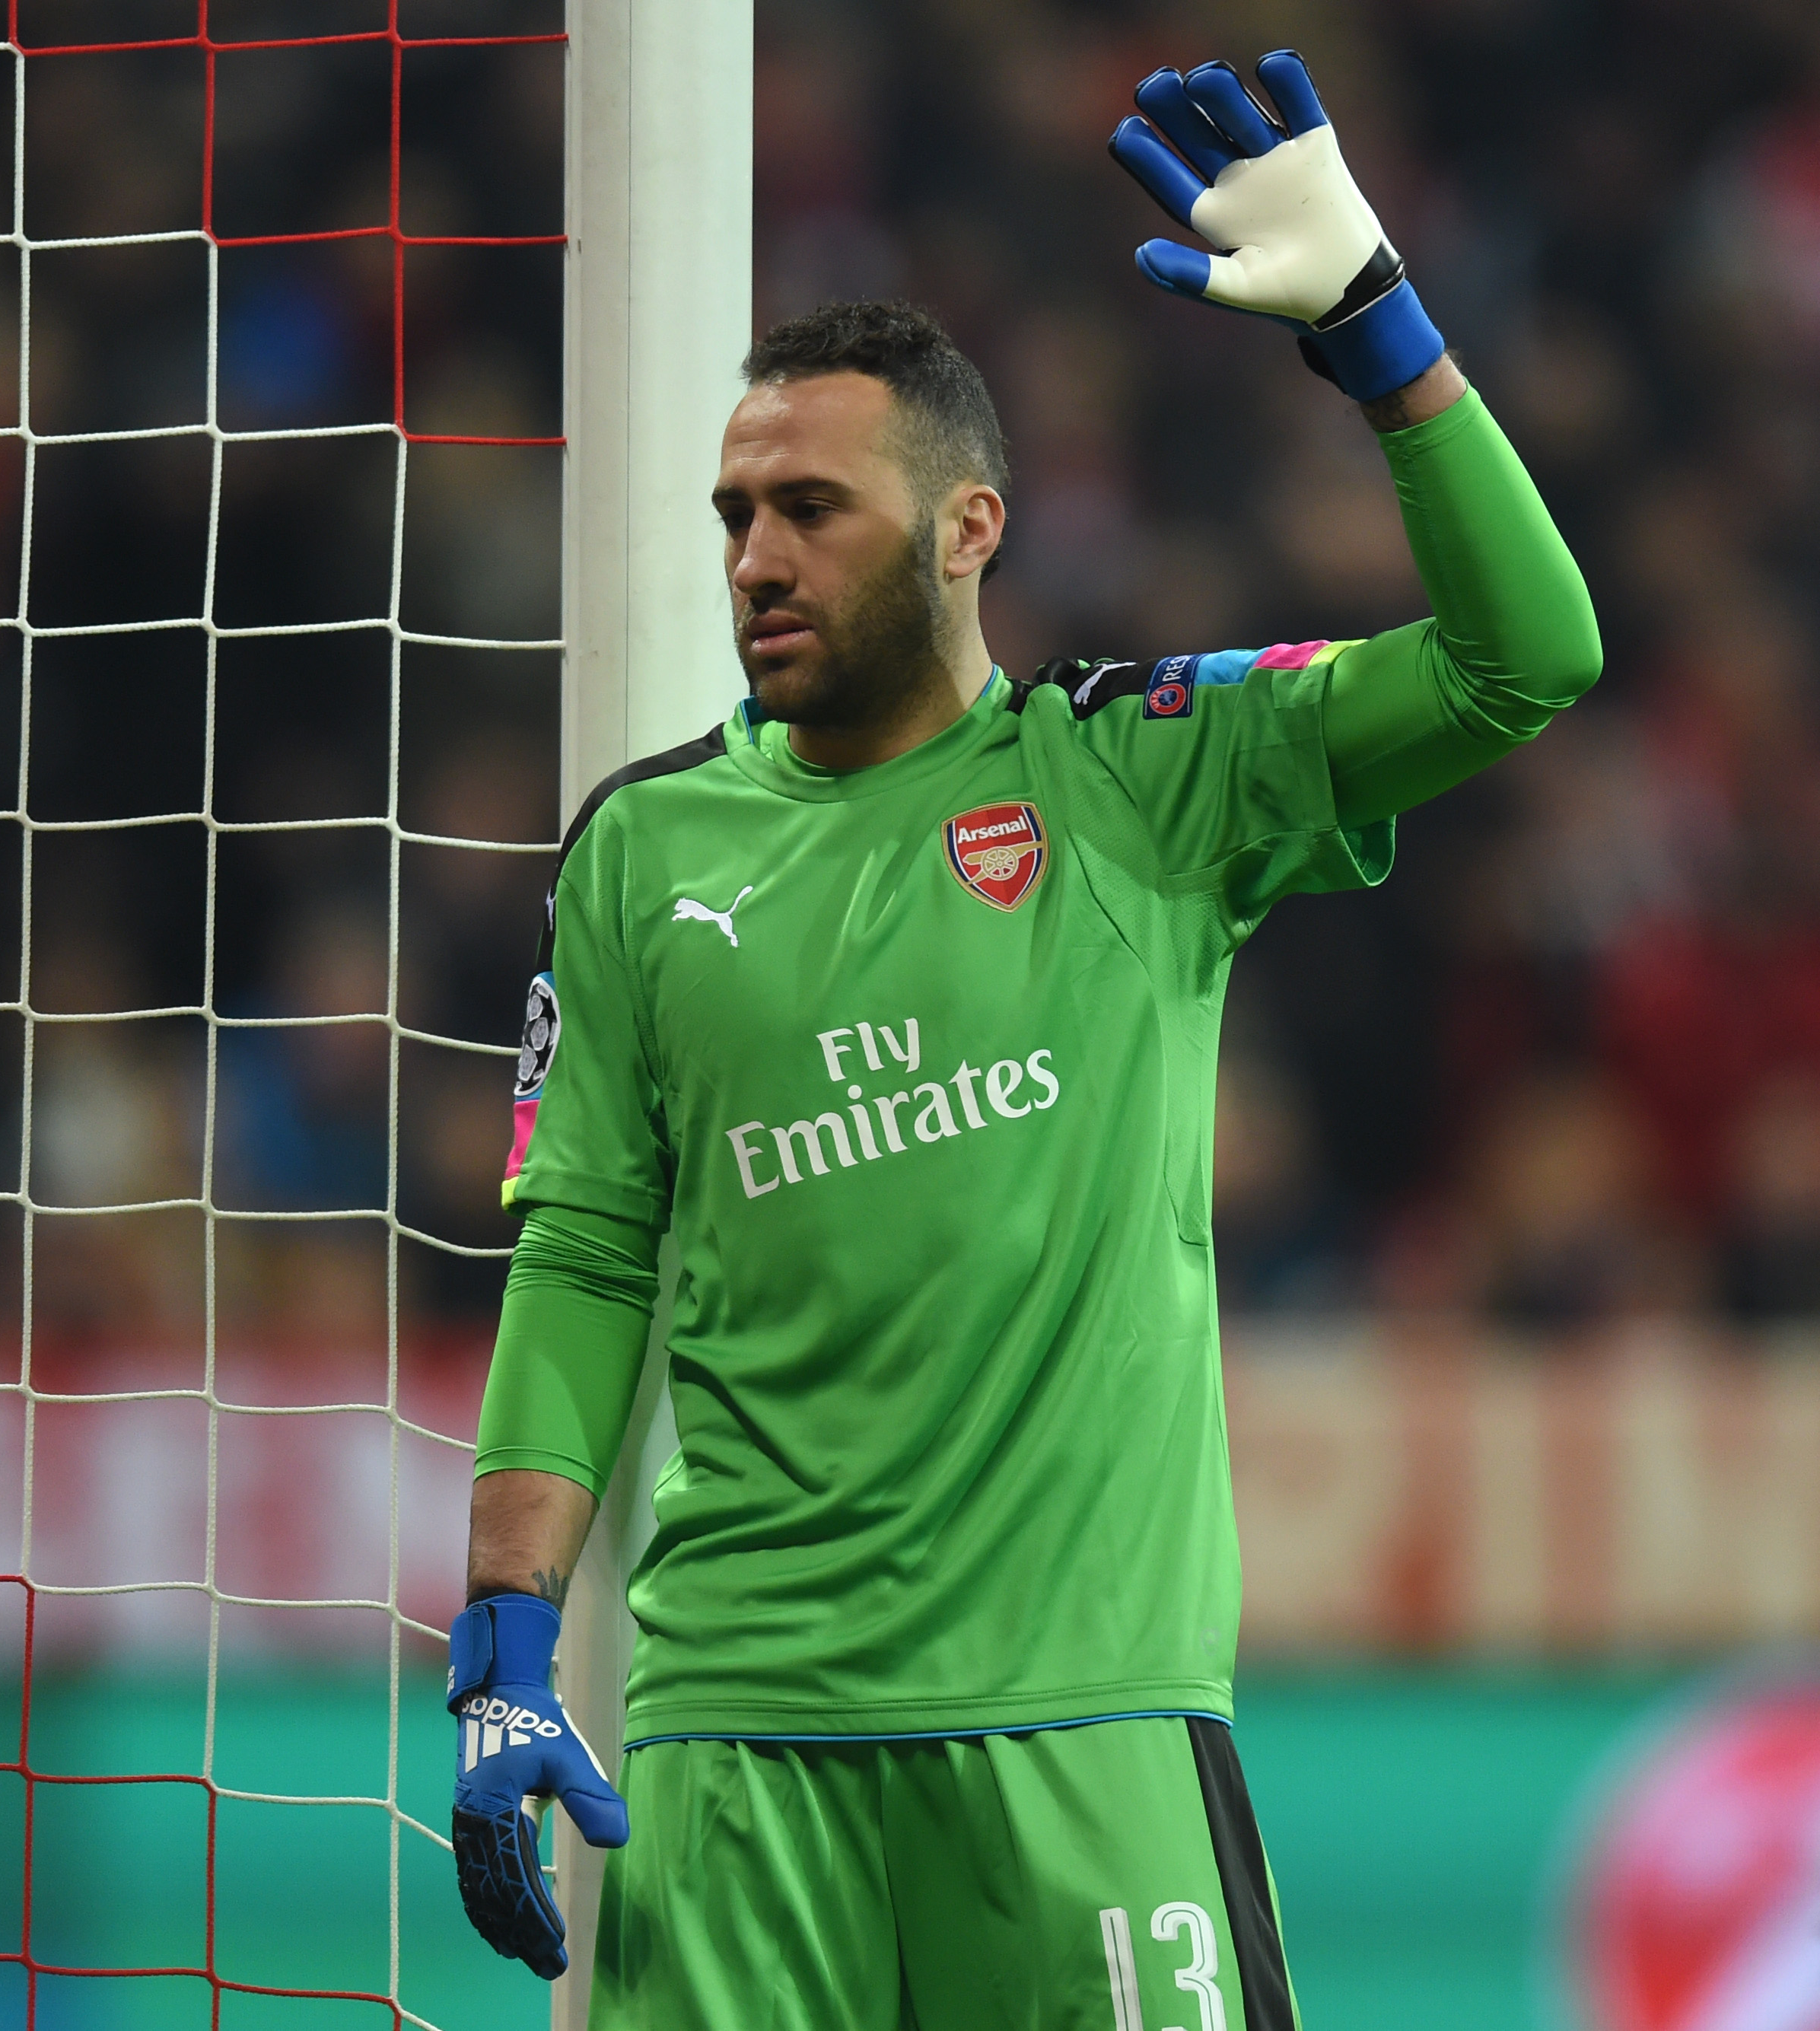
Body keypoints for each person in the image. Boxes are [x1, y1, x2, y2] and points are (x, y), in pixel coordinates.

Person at [442, 51, 1601, 2029]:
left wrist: (1376, 333)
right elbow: (582, 1249)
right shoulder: (644, 851)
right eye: (733, 514)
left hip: (1084, 1729)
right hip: (732, 1745)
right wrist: (499, 1642)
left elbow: (1529, 658)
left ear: (968, 525)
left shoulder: (1141, 775)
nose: (752, 558)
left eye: (809, 507)